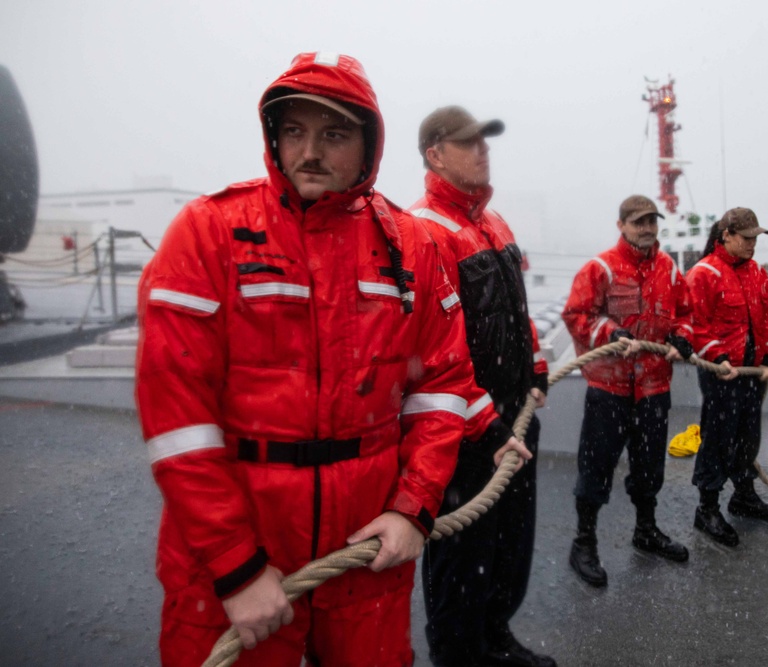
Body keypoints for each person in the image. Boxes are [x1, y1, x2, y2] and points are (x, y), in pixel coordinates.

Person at [134, 53, 514, 667]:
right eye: (294, 130)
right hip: (232, 561)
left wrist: (412, 508)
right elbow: (177, 421)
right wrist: (236, 567)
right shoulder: (208, 231)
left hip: (367, 551)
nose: (309, 151)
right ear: (273, 136)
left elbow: (442, 384)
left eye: (333, 133)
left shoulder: (410, 244)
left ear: (368, 146)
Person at [410, 106, 554, 667]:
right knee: (462, 555)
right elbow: (434, 348)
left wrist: (537, 369)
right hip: (465, 432)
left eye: (485, 141)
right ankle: (460, 654)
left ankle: (495, 637)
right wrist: (485, 423)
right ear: (435, 154)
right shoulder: (424, 230)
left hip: (514, 419)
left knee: (509, 547)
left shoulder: (494, 226)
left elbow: (519, 315)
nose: (483, 150)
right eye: (468, 143)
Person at [561, 194, 694, 588]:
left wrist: (683, 339)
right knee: (596, 468)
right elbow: (577, 314)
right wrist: (610, 332)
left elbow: (686, 315)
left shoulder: (669, 269)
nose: (647, 228)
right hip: (609, 389)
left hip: (654, 388)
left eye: (652, 221)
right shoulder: (600, 267)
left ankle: (646, 530)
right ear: (621, 225)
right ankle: (583, 543)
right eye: (639, 222)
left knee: (650, 466)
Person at [686, 207, 768, 548]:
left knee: (747, 434)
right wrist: (719, 356)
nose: (752, 245)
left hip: (752, 373)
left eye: (756, 238)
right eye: (747, 238)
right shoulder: (703, 274)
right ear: (725, 235)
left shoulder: (757, 273)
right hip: (721, 374)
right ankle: (707, 506)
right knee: (718, 436)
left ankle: (743, 493)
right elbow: (695, 324)